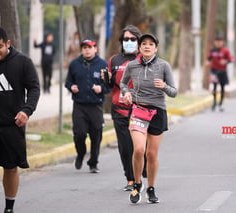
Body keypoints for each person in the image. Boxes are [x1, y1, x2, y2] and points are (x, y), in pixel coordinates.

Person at [120, 33, 177, 204]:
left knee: (151, 154)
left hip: (157, 112)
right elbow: (123, 83)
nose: (147, 46)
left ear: (156, 48)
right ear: (139, 47)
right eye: (143, 43)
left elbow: (174, 92)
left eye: (151, 44)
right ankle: (137, 184)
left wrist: (164, 86)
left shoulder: (164, 66)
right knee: (138, 150)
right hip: (138, 109)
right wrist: (126, 93)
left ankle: (151, 187)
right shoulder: (132, 65)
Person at [0, 27, 40, 213]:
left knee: (10, 168)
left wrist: (27, 110)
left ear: (7, 43)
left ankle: (9, 207)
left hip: (11, 125)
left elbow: (34, 88)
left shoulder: (23, 62)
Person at [104, 25, 144, 191]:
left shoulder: (144, 59)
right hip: (119, 109)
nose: (129, 42)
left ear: (138, 42)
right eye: (126, 39)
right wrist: (106, 79)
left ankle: (143, 169)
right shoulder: (114, 60)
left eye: (132, 39)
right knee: (125, 146)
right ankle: (130, 179)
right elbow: (109, 86)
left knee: (140, 146)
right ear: (121, 42)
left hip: (141, 109)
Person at [65, 39, 111, 173]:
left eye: (90, 47)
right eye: (84, 47)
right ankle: (81, 153)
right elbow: (68, 82)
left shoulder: (103, 65)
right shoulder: (74, 64)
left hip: (96, 106)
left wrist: (100, 89)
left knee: (96, 135)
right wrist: (71, 87)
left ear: (95, 49)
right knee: (79, 134)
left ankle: (93, 162)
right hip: (79, 105)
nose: (87, 50)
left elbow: (109, 86)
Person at [206, 36, 233, 112]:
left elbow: (231, 59)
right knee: (214, 88)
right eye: (217, 41)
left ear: (222, 42)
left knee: (222, 88)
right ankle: (214, 103)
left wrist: (225, 62)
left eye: (220, 41)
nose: (218, 43)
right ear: (215, 42)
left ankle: (221, 104)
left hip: (222, 72)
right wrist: (207, 62)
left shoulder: (225, 50)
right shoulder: (212, 50)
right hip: (214, 71)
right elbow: (209, 58)